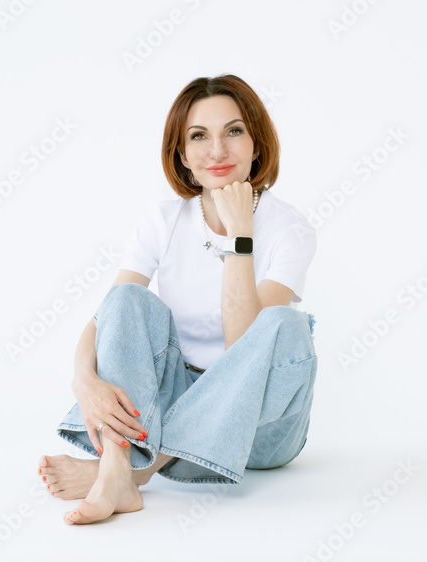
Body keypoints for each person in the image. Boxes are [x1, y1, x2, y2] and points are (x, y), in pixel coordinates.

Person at [38, 74, 318, 525]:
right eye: (199, 136)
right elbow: (111, 314)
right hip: (170, 404)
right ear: (183, 156)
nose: (218, 150)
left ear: (256, 144)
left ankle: (130, 470)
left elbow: (243, 346)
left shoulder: (290, 229)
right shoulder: (163, 221)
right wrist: (82, 379)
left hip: (261, 432)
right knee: (130, 297)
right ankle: (118, 469)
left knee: (283, 325)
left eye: (234, 131)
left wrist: (239, 235)